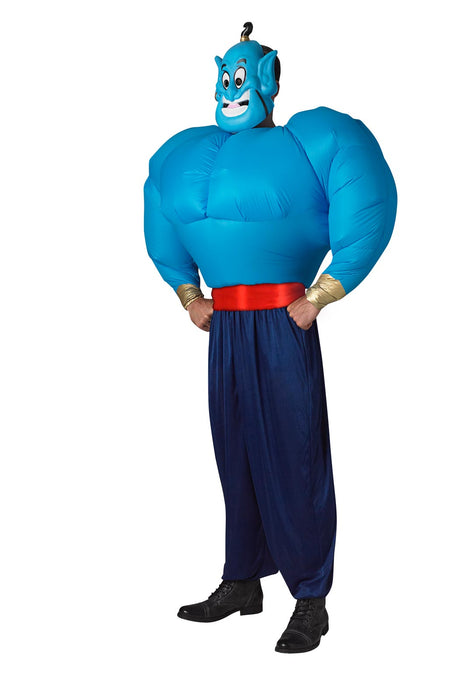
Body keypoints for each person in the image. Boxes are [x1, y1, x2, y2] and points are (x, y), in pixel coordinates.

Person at [144, 22, 397, 653]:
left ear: (266, 81)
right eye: (224, 79)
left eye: (242, 78)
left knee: (293, 452)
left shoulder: (313, 139)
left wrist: (322, 295)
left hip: (283, 320)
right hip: (226, 324)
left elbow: (368, 203)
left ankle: (311, 598)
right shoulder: (184, 154)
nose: (232, 91)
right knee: (235, 452)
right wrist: (189, 296)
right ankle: (243, 579)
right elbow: (163, 221)